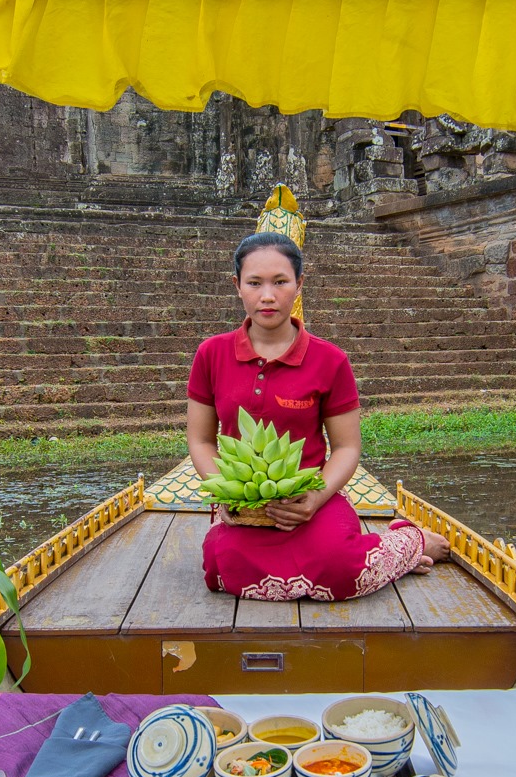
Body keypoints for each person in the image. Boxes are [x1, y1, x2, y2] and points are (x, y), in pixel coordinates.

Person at [187, 231, 450, 600]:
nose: (267, 295)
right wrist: (228, 496)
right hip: (243, 504)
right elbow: (200, 440)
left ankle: (408, 539)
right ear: (237, 286)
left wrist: (313, 500)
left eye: (280, 282)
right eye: (254, 283)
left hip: (312, 496)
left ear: (299, 285)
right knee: (218, 567)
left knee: (341, 568)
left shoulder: (330, 360)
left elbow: (346, 448)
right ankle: (391, 560)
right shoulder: (211, 354)